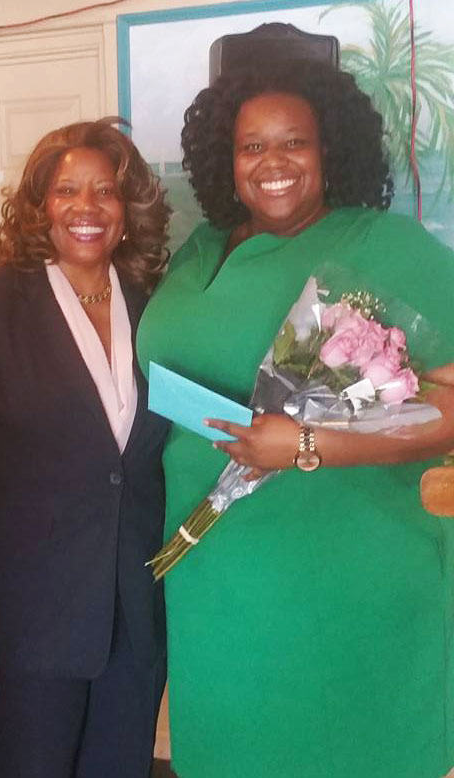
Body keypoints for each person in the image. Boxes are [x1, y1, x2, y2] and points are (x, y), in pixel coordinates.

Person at [137, 61, 454, 778]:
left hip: (341, 568)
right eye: (252, 146)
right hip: (215, 573)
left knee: (344, 747)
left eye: (295, 143)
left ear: (329, 149)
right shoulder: (198, 249)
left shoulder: (385, 247)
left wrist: (310, 443)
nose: (272, 163)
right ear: (228, 157)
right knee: (231, 747)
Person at [0, 118, 170, 778]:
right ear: (40, 206)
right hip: (25, 627)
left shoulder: (159, 308)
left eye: (106, 191)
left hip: (133, 616)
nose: (87, 208)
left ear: (129, 208)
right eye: (67, 191)